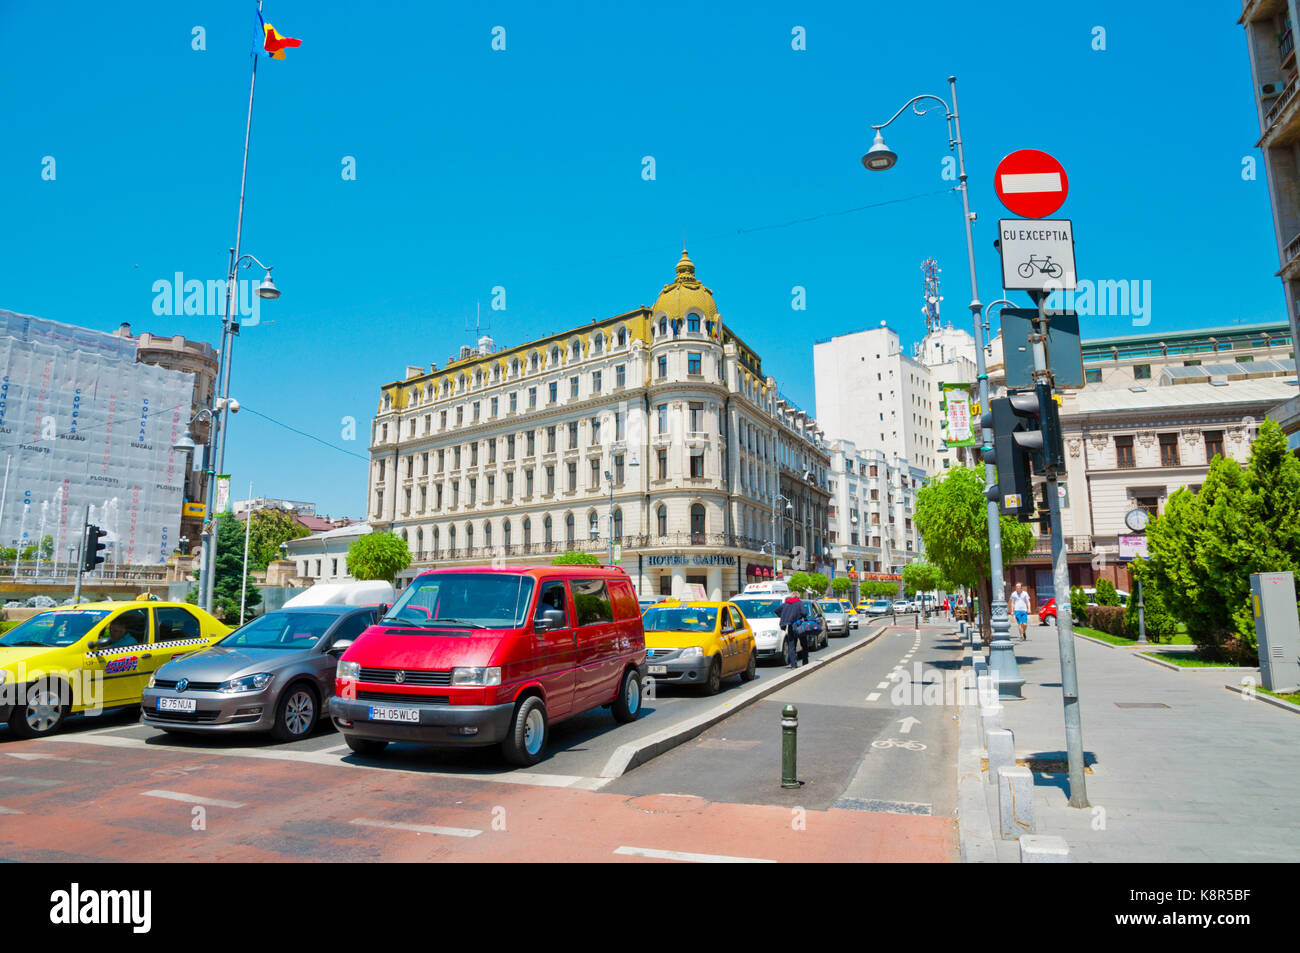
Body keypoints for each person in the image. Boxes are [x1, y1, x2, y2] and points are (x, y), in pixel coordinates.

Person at [778, 594, 807, 669]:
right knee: (804, 644)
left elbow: (776, 610)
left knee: (792, 646)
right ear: (798, 597)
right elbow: (804, 613)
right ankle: (805, 662)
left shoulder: (786, 603)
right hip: (799, 625)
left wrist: (784, 616)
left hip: (791, 626)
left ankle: (793, 665)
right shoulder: (799, 603)